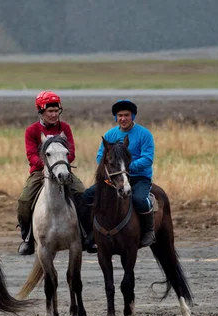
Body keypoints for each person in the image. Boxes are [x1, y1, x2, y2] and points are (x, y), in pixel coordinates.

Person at [17, 91, 94, 256]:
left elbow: (71, 152)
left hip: (63, 170)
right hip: (41, 172)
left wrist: (62, 164)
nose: (53, 115)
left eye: (56, 111)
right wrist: (46, 165)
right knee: (24, 200)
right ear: (41, 112)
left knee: (83, 194)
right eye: (49, 111)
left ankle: (87, 235)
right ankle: (27, 239)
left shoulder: (64, 128)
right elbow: (31, 155)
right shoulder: (32, 131)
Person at [83, 99, 156, 248]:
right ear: (116, 117)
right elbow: (100, 157)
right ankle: (89, 232)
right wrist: (113, 171)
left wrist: (128, 168)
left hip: (138, 177)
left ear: (133, 116)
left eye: (127, 115)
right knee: (88, 196)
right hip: (115, 178)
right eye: (120, 115)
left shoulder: (144, 134)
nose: (123, 118)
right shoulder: (110, 135)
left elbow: (148, 158)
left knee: (140, 200)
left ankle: (149, 231)